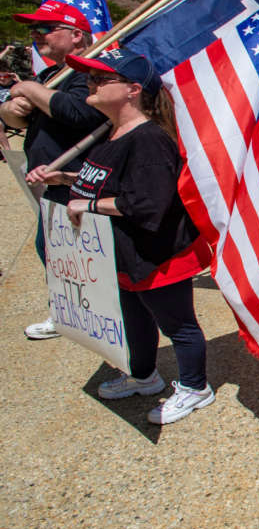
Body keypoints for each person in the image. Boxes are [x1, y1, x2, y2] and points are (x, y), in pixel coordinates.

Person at [27, 49, 214, 424]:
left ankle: (196, 387)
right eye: (91, 78)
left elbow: (147, 204)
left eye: (100, 79)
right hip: (124, 254)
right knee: (132, 320)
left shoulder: (148, 139)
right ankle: (144, 376)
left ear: (132, 90)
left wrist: (89, 207)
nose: (89, 85)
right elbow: (106, 183)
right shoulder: (111, 132)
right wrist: (63, 179)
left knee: (177, 324)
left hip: (158, 255)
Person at [1, 0, 108, 341]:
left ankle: (98, 315)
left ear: (77, 35)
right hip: (51, 182)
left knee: (88, 258)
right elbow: (18, 117)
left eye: (46, 28)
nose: (36, 35)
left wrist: (28, 89)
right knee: (53, 250)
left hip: (81, 180)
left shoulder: (92, 73)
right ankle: (69, 310)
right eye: (34, 29)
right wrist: (11, 105)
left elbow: (79, 114)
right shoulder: (51, 75)